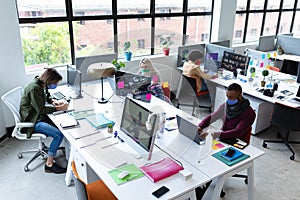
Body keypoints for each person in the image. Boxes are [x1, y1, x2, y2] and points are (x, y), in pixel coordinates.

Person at [20, 68, 69, 174]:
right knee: (58, 134)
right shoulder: (34, 88)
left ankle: (55, 151)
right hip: (33, 121)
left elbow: (46, 95)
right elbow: (41, 109)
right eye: (55, 83)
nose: (55, 84)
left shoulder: (41, 83)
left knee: (62, 124)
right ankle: (49, 165)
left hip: (38, 116)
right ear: (49, 80)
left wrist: (53, 101)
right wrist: (60, 108)